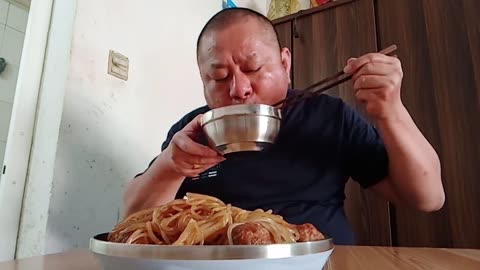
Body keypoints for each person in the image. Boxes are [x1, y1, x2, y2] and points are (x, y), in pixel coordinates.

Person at [124, 8, 445, 245]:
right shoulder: (193, 130)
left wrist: (391, 111)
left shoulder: (329, 115)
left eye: (253, 67)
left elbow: (428, 197)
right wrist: (171, 165)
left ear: (285, 63)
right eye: (219, 77)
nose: (238, 89)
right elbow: (130, 219)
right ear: (202, 82)